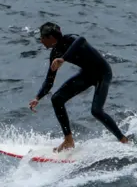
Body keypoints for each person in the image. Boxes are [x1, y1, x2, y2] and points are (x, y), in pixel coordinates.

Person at [28, 22, 130, 153]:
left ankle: (124, 140)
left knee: (96, 111)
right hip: (87, 74)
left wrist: (63, 59)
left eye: (42, 37)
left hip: (102, 73)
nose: (41, 40)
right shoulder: (55, 53)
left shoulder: (71, 39)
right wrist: (37, 97)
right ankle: (68, 140)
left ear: (50, 38)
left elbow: (81, 40)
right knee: (57, 99)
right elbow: (49, 81)